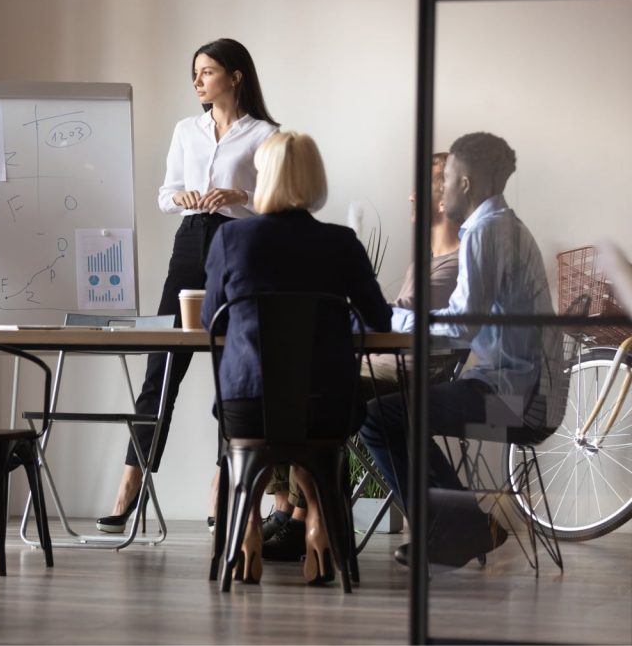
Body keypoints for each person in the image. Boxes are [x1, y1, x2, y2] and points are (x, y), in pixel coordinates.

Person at [97, 38, 279, 534]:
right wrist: (184, 196)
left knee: (235, 372)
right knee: (162, 363)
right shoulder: (186, 130)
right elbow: (163, 195)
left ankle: (224, 491)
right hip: (191, 239)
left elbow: (277, 200)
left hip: (241, 244)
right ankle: (127, 489)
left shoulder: (265, 134)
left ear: (235, 76)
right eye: (194, 73)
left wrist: (240, 194)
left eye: (207, 71)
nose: (197, 81)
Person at [359, 132, 557, 568]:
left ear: (465, 184)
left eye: (444, 179)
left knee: (378, 417)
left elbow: (459, 324)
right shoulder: (502, 227)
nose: (439, 189)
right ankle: (461, 526)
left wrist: (383, 318)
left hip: (515, 402)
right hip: (520, 390)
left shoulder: (487, 233)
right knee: (394, 413)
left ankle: (458, 528)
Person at [201, 132, 392, 584]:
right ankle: (319, 524)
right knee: (320, 436)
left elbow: (214, 321)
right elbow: (378, 321)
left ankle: (245, 526)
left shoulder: (231, 239)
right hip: (326, 408)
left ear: (263, 178)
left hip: (247, 409)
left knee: (248, 423)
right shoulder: (342, 243)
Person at [262, 152, 462, 561]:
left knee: (313, 392)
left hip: (411, 374)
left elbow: (396, 324)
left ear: (446, 199)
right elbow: (393, 318)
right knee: (289, 385)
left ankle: (303, 518)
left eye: (422, 187)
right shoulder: (428, 261)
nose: (410, 196)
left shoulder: (454, 264)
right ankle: (286, 509)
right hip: (383, 364)